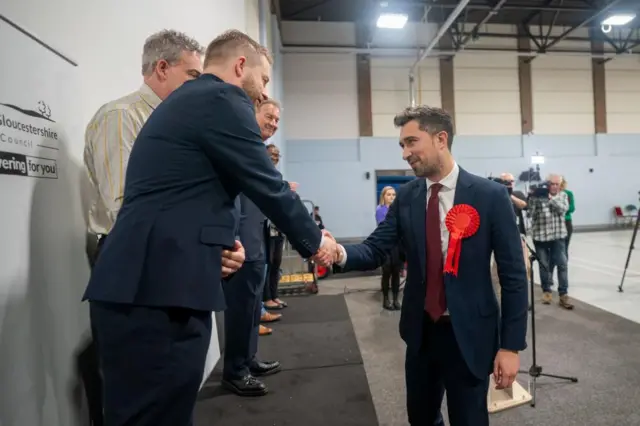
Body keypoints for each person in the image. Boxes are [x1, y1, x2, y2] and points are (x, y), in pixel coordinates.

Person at [83, 30, 336, 426]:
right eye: (264, 80)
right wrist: (318, 242)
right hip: (156, 290)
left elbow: (188, 196)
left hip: (160, 285)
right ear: (240, 67)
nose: (264, 93)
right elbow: (266, 185)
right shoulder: (222, 99)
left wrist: (221, 243)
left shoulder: (188, 103)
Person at [329, 106, 528, 426]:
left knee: (469, 419)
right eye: (402, 145)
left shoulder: (490, 196)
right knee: (420, 417)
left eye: (411, 142)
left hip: (471, 334)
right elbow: (375, 249)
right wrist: (336, 252)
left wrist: (511, 346)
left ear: (441, 139)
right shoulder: (406, 197)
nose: (405, 153)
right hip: (421, 333)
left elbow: (514, 276)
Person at [78, 29, 205, 426]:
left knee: (171, 392)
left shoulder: (169, 123)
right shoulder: (122, 118)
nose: (199, 88)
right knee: (142, 398)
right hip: (135, 266)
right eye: (193, 76)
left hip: (163, 259)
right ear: (161, 68)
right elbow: (127, 210)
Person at [222, 99, 283, 397]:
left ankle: (248, 359)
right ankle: (235, 371)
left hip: (258, 241)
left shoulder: (258, 150)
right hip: (241, 245)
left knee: (251, 309)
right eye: (268, 117)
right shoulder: (241, 146)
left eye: (276, 120)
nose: (273, 123)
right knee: (240, 311)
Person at [529, 174, 573, 309]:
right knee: (544, 265)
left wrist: (550, 199)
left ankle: (563, 294)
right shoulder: (538, 196)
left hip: (558, 236)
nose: (554, 186)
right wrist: (533, 198)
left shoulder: (563, 196)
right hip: (540, 237)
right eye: (551, 184)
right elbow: (531, 214)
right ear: (547, 184)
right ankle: (546, 291)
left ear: (560, 185)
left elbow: (563, 210)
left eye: (557, 184)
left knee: (562, 264)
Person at [263, 143, 289, 310]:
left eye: (277, 154)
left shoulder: (276, 175)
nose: (275, 156)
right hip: (266, 227)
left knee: (277, 263)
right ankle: (266, 299)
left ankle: (274, 295)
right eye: (272, 153)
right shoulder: (264, 174)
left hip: (277, 228)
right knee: (269, 263)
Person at [376, 186, 403, 310]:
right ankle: (386, 299)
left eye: (393, 195)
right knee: (386, 273)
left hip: (397, 246)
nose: (391, 197)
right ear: (384, 196)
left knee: (396, 273)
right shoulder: (380, 210)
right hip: (386, 246)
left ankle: (396, 299)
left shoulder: (399, 209)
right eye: (389, 194)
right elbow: (386, 227)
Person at [561, 176, 575, 257]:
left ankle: (563, 268)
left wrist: (560, 208)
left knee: (565, 247)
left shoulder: (569, 194)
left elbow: (572, 208)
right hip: (553, 223)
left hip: (566, 222)